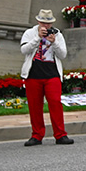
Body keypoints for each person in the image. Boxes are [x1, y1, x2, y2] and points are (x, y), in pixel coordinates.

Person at [20, 9, 71, 146]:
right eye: (43, 22)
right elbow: (24, 50)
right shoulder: (30, 33)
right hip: (33, 74)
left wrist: (54, 42)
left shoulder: (58, 34)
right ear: (38, 21)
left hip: (52, 74)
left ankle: (60, 134)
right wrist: (37, 38)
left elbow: (63, 54)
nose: (46, 26)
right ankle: (37, 135)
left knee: (55, 102)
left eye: (48, 23)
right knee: (34, 106)